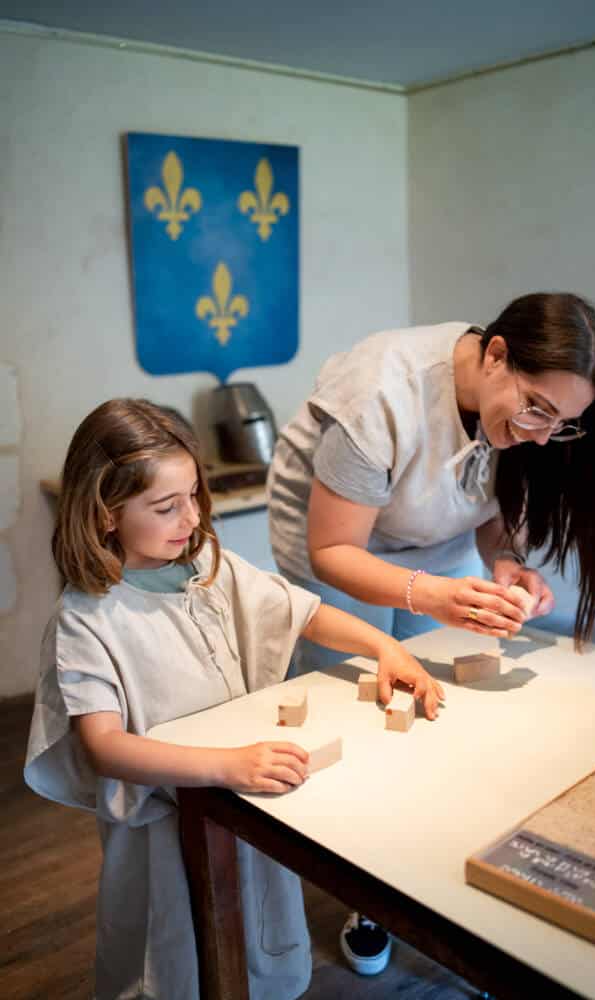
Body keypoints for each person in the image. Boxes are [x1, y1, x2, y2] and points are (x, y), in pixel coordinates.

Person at [24, 398, 443, 1000]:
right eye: (166, 506)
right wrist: (226, 764)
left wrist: (384, 647)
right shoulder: (88, 618)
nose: (190, 518)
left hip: (240, 802)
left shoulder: (209, 566)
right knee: (171, 955)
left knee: (255, 932)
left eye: (193, 495)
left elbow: (304, 612)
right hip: (161, 828)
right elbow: (105, 747)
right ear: (105, 512)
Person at [268, 291, 595, 971]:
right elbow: (333, 550)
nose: (542, 434)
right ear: (494, 355)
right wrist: (427, 594)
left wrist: (506, 561)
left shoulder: (524, 416)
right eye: (535, 410)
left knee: (432, 698)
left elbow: (486, 494)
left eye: (563, 423)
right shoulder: (378, 396)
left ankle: (420, 863)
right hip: (335, 544)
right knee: (362, 706)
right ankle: (364, 890)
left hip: (427, 543)